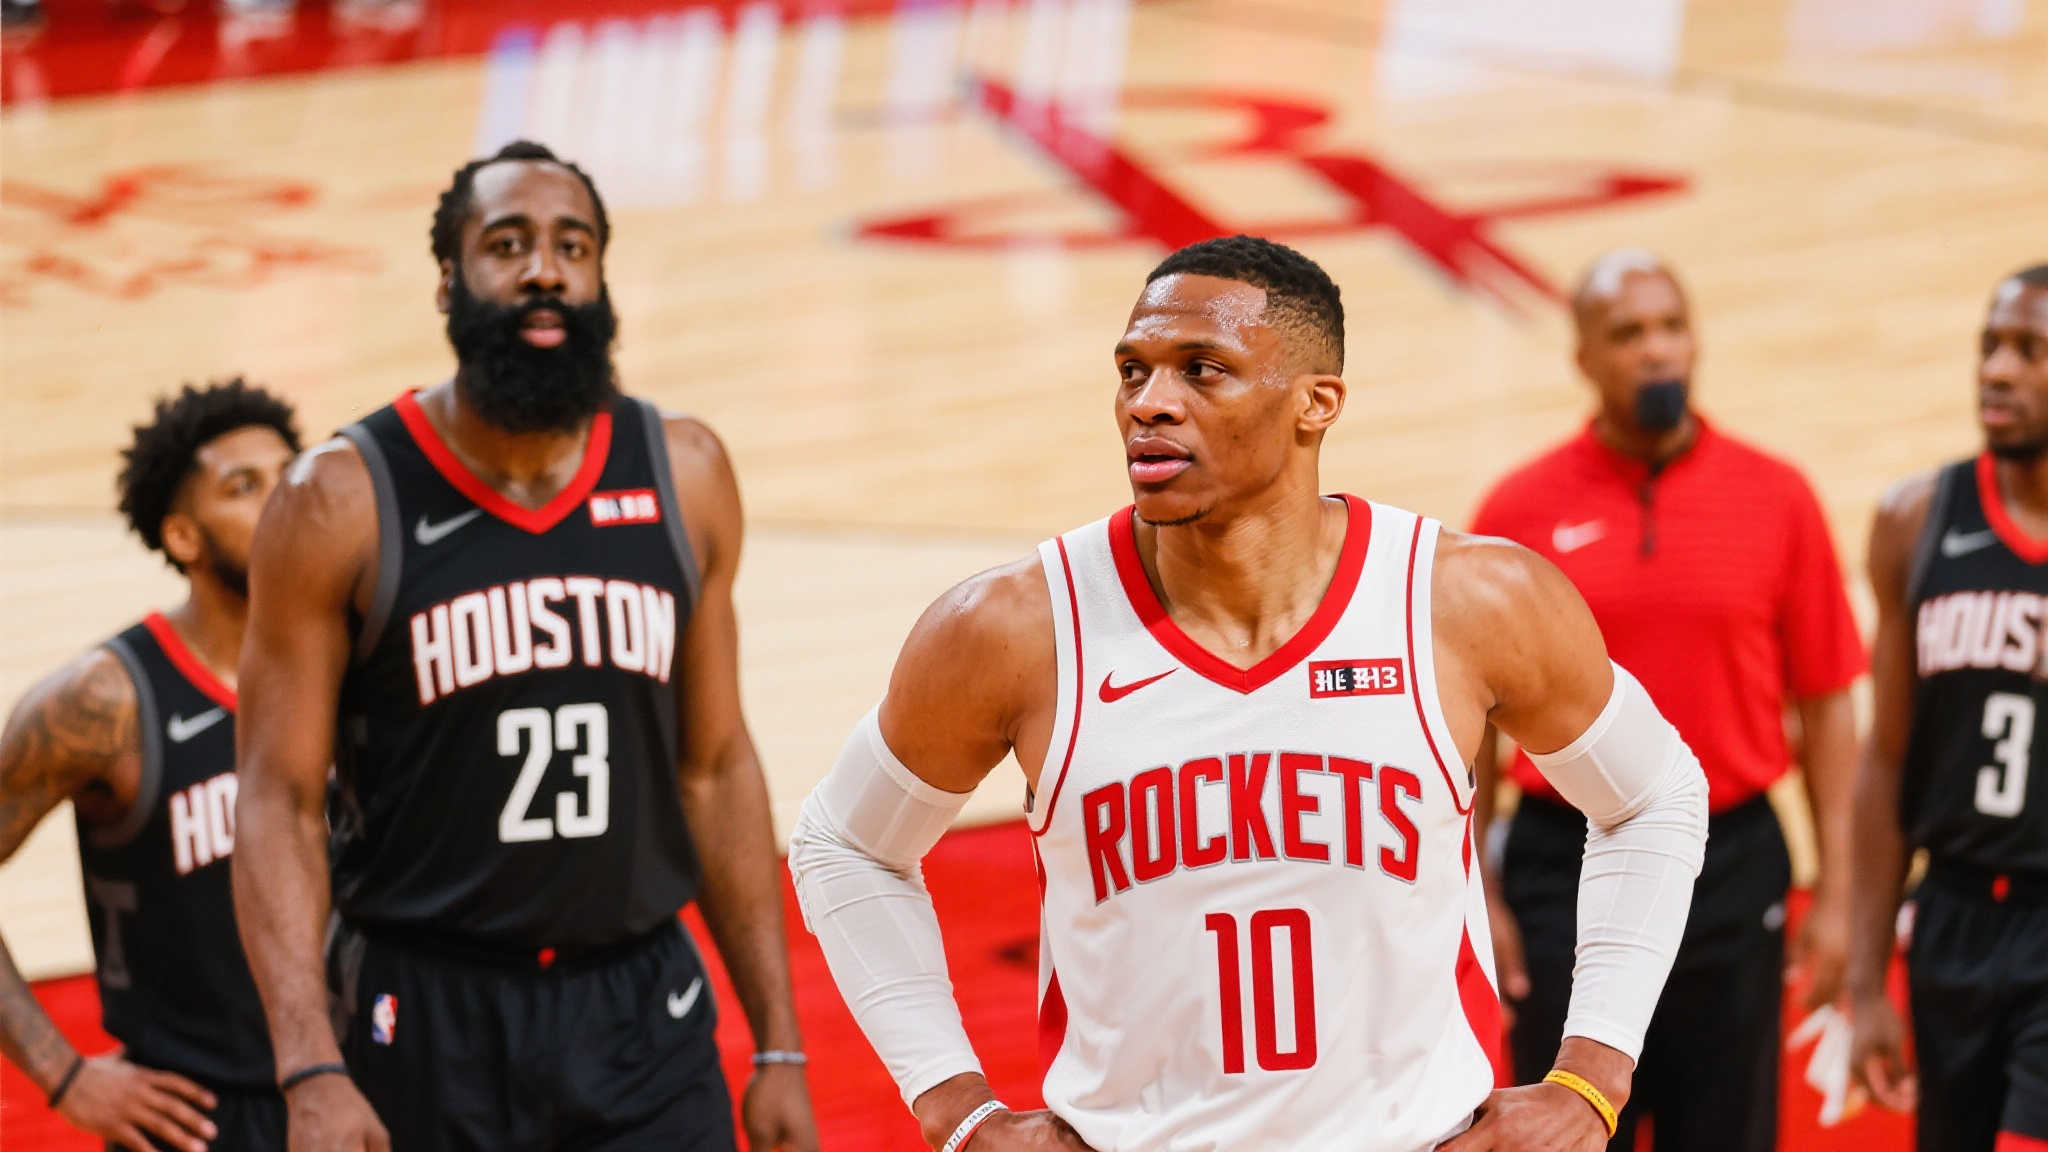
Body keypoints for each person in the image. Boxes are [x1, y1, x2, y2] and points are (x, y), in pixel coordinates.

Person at [788, 234, 1710, 1152]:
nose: (1149, 403)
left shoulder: (1465, 600)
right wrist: (955, 1108)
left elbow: (1655, 795)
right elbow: (844, 845)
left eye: (1202, 369)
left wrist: (1592, 1076)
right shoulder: (1015, 627)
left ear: (1316, 403)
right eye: (1133, 370)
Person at [231, 140, 818, 1152]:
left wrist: (778, 1044)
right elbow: (275, 800)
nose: (544, 268)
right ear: (448, 281)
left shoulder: (685, 474)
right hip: (427, 1008)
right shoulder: (337, 500)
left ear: (600, 278)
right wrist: (309, 1066)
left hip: (639, 1007)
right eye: (507, 244)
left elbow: (717, 768)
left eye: (572, 246)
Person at [1466, 249, 1865, 1151]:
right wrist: (1477, 887)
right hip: (1563, 862)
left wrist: (1839, 892)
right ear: (1583, 358)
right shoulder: (1517, 512)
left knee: (1726, 1129)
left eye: (1672, 327)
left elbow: (1827, 700)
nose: (1656, 349)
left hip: (1732, 862)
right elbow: (1474, 721)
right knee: (1565, 1128)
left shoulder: (1778, 497)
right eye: (1628, 333)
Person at [0, 380, 299, 1151]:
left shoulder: (357, 663)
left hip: (360, 1091)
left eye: (291, 474)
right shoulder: (103, 703)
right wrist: (63, 1076)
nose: (284, 500)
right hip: (199, 1118)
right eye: (244, 486)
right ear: (184, 537)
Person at [1849, 263, 2048, 1152]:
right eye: (1990, 346)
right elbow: (1887, 756)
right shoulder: (1916, 519)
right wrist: (1865, 984)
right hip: (1952, 916)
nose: (1997, 371)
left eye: (2030, 351)